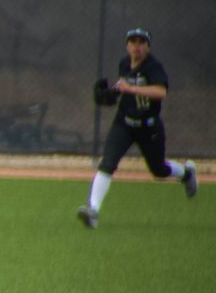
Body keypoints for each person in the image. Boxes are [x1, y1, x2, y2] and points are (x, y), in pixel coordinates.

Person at [77, 27, 197, 229]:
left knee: (158, 170)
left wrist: (130, 89)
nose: (136, 46)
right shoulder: (125, 63)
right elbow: (122, 85)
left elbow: (161, 92)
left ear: (148, 46)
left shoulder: (153, 67)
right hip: (124, 123)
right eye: (133, 42)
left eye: (141, 42)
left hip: (148, 127)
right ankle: (93, 210)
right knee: (108, 163)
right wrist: (111, 93)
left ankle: (186, 174)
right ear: (127, 45)